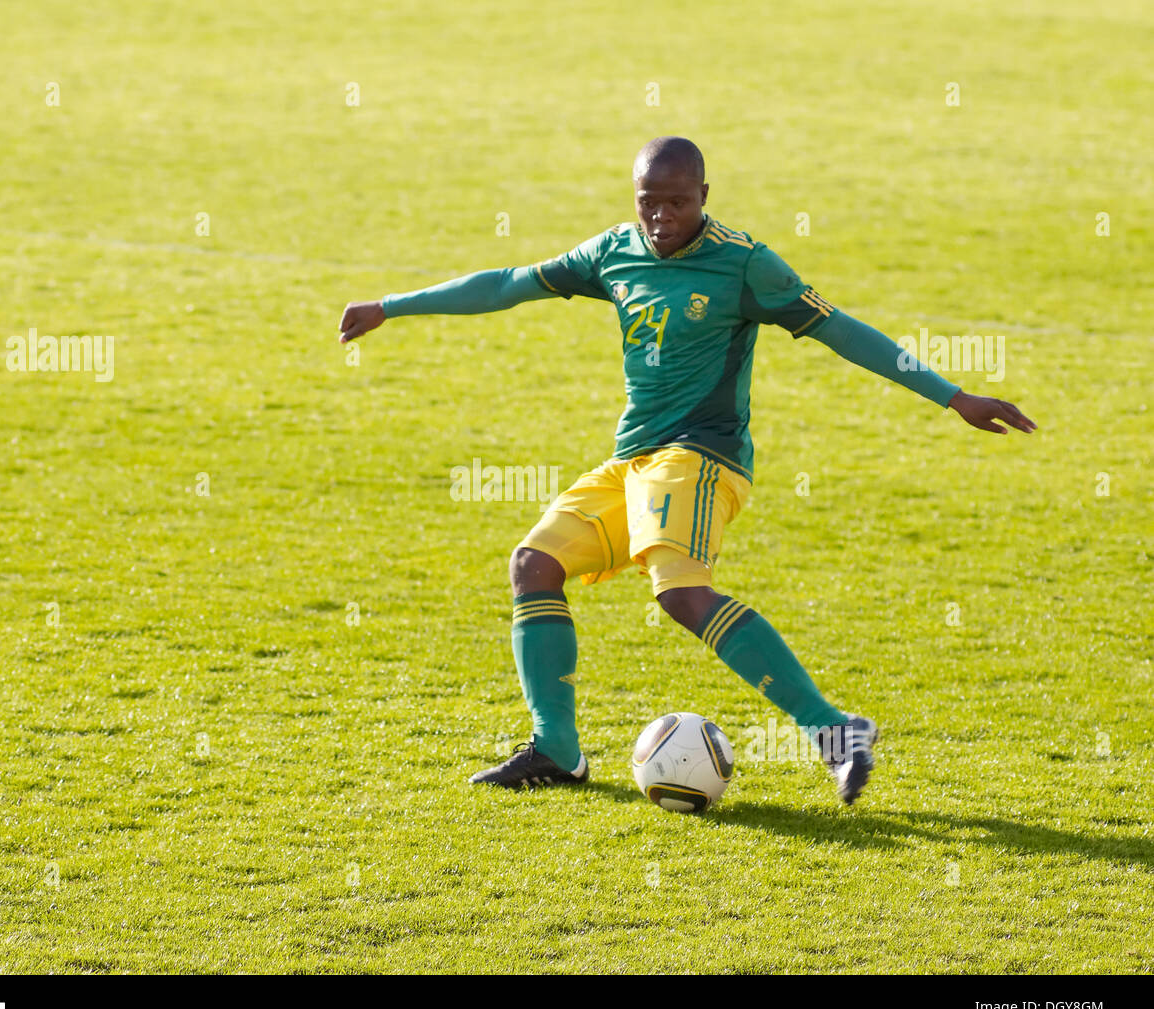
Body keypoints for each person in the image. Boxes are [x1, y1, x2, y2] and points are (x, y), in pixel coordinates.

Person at [338, 136, 1036, 804]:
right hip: (633, 460)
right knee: (534, 563)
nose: (662, 217)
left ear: (704, 193)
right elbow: (508, 284)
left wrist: (954, 396)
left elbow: (844, 331)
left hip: (704, 456)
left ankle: (835, 730)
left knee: (678, 591)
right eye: (650, 202)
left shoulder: (745, 265)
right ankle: (557, 749)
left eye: (678, 202)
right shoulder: (613, 251)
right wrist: (390, 307)